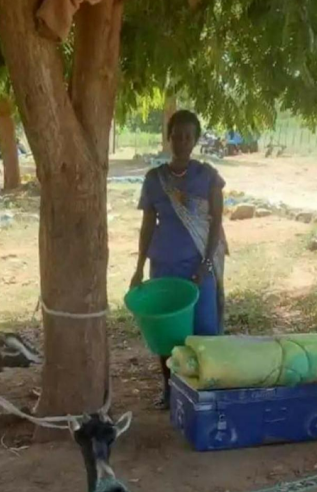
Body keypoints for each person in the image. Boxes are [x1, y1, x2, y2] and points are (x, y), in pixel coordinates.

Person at [130, 110, 227, 410]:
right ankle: (170, 390)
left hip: (199, 266)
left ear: (196, 140)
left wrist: (206, 264)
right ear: (168, 138)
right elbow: (147, 225)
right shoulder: (155, 179)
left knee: (205, 331)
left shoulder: (209, 177)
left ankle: (205, 392)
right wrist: (138, 269)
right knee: (168, 335)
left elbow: (216, 223)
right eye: (177, 135)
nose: (182, 141)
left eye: (188, 136)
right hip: (165, 266)